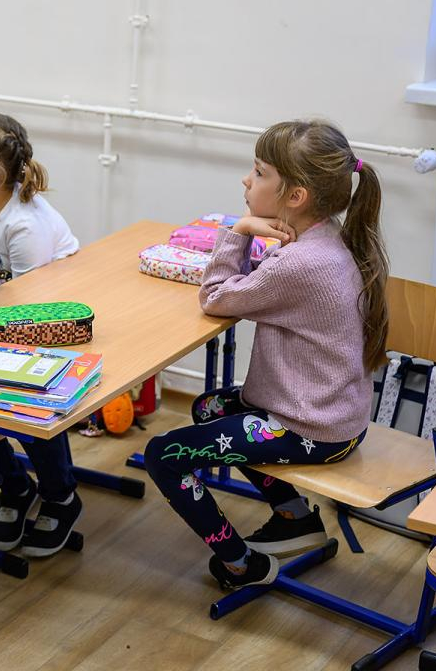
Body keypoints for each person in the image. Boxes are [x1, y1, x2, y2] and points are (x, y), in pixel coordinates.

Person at [144, 119, 388, 588]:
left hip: (313, 429)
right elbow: (263, 281)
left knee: (163, 454)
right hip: (333, 415)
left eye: (258, 172)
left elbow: (215, 296)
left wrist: (238, 230)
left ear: (295, 196)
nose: (246, 180)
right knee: (209, 407)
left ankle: (242, 564)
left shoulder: (301, 263)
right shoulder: (327, 237)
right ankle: (295, 517)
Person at [0, 111, 83, 557]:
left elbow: (31, 310)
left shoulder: (23, 223)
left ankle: (61, 495)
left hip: (46, 333)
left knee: (29, 405)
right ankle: (14, 483)